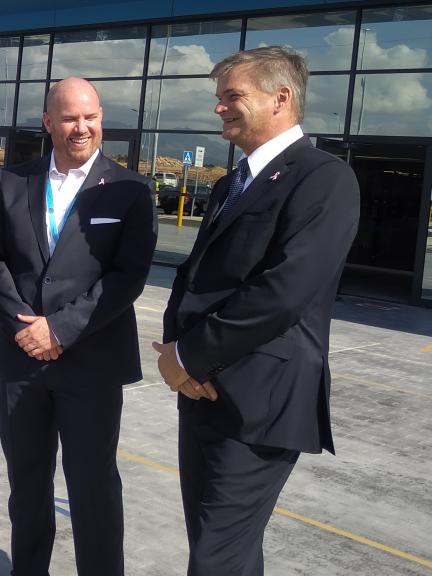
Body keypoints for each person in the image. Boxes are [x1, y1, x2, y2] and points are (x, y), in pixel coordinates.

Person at [155, 46, 360, 575]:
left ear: (281, 98)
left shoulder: (323, 179)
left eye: (232, 96)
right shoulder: (231, 182)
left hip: (259, 403)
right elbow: (196, 275)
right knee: (219, 548)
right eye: (219, 98)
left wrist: (190, 355)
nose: (220, 108)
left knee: (217, 556)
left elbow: (283, 292)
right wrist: (175, 351)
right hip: (203, 394)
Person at [0, 77, 157, 575]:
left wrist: (58, 329)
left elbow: (129, 275)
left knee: (93, 485)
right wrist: (24, 327)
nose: (83, 128)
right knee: (27, 483)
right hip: (19, 359)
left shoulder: (130, 190)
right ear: (48, 122)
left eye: (91, 117)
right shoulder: (13, 181)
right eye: (71, 118)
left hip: (91, 363)